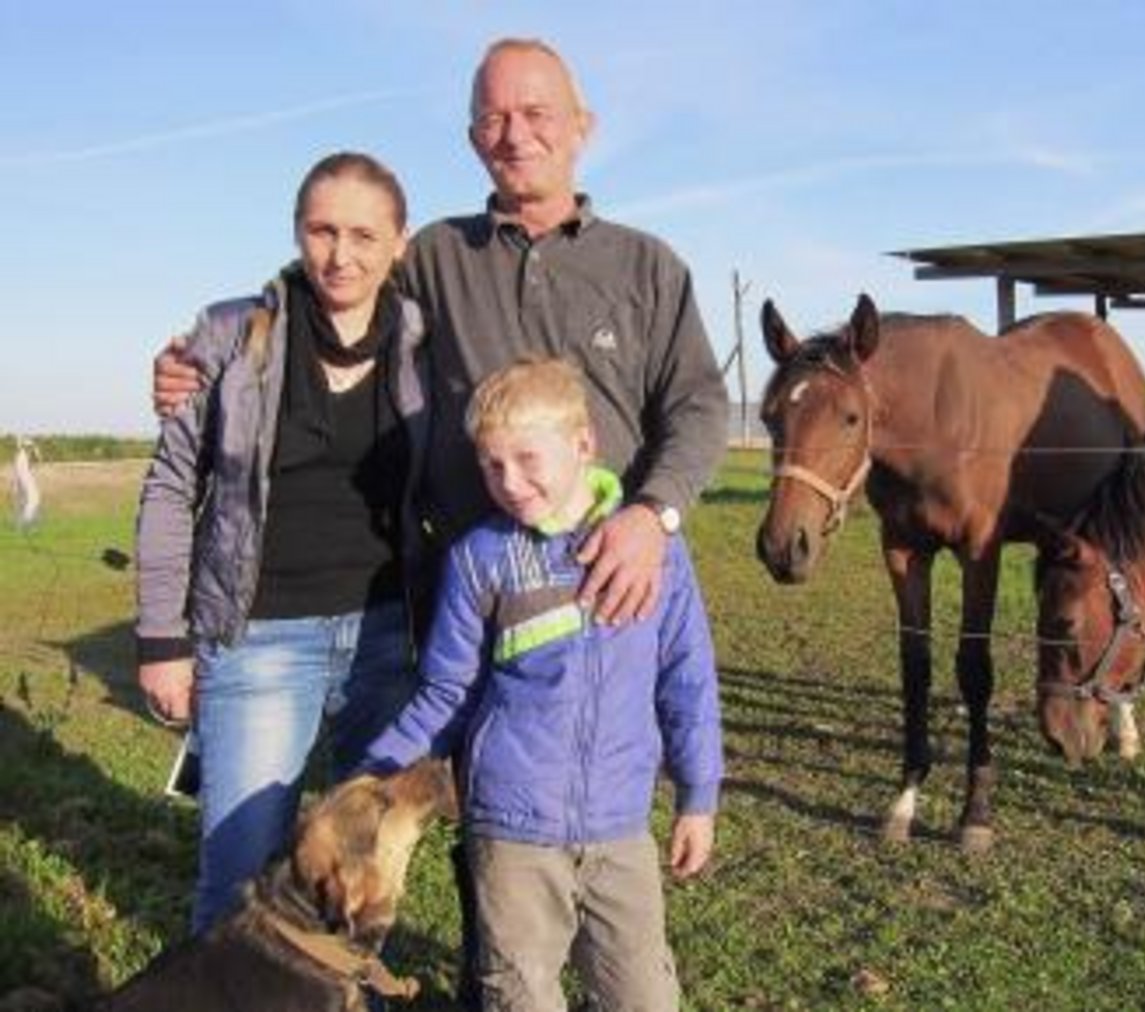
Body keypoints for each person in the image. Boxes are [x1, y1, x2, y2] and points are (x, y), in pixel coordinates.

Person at [150, 36, 730, 997]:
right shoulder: (437, 260)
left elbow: (701, 408)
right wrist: (204, 357)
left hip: (616, 584)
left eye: (539, 113)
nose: (518, 134)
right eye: (496, 118)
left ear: (582, 128)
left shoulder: (648, 267)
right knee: (487, 817)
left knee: (576, 850)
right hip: (482, 594)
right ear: (472, 138)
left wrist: (653, 517)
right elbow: (331, 281)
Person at [361, 358, 723, 1011]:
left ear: (583, 443)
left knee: (643, 997)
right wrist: (375, 774)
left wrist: (699, 796)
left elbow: (687, 679)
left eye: (527, 459)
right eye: (491, 466)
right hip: (511, 834)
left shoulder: (657, 552)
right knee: (519, 993)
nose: (509, 482)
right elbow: (448, 690)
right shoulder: (480, 559)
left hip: (620, 828)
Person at [135, 151, 431, 933]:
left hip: (386, 641)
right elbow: (170, 487)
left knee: (366, 881)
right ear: (298, 233)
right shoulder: (234, 335)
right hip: (260, 639)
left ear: (400, 242)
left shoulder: (425, 345)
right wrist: (162, 639)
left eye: (365, 235)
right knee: (240, 877)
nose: (342, 254)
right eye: (323, 231)